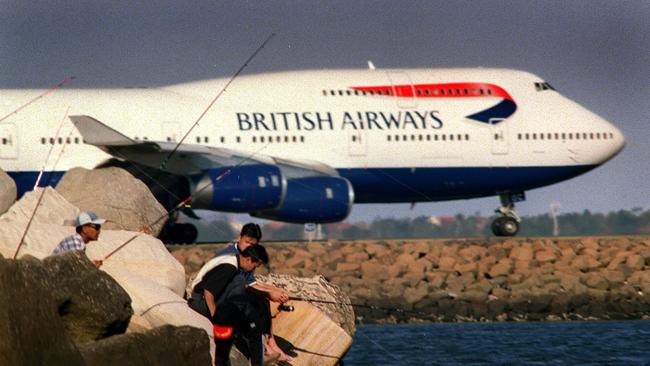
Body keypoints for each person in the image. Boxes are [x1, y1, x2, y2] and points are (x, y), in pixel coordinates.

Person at [215, 223, 292, 361]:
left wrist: (276, 291)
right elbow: (245, 287)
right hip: (223, 297)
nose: (248, 246)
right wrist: (270, 294)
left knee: (263, 300)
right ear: (239, 238)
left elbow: (252, 284)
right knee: (259, 301)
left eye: (252, 244)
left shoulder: (248, 256)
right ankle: (266, 345)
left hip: (235, 293)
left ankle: (270, 342)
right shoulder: (232, 256)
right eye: (246, 242)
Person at [189, 245, 271, 366]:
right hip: (200, 301)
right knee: (240, 282)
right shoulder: (229, 267)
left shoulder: (233, 260)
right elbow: (208, 292)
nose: (254, 269)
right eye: (255, 266)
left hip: (203, 298)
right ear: (249, 259)